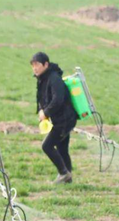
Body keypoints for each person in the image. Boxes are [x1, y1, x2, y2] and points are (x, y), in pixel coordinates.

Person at [31, 52, 78, 184]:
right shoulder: (43, 78)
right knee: (62, 148)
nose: (35, 68)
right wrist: (41, 110)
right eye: (33, 65)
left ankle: (64, 173)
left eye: (37, 65)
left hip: (65, 120)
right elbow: (43, 97)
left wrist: (46, 112)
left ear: (46, 64)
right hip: (60, 119)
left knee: (47, 146)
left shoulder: (54, 78)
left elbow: (58, 99)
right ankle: (68, 177)